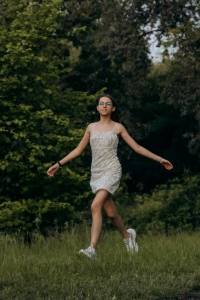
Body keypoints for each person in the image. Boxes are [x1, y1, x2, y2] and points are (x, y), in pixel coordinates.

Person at [46, 94, 173, 258]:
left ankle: (92, 249)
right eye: (101, 103)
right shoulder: (91, 127)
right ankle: (128, 236)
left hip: (112, 170)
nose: (104, 106)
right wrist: (58, 164)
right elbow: (78, 150)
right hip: (96, 173)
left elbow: (137, 147)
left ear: (113, 108)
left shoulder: (118, 127)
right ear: (97, 107)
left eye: (108, 103)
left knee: (95, 206)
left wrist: (160, 159)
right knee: (112, 214)